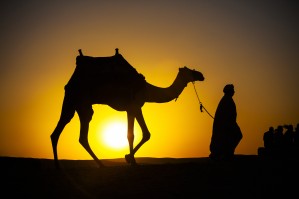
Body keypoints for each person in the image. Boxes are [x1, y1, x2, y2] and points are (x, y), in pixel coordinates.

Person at [209, 84, 243, 160]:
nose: (234, 91)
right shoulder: (226, 100)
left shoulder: (227, 100)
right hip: (227, 125)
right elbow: (226, 115)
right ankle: (226, 153)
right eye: (232, 90)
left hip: (228, 124)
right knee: (237, 136)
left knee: (233, 137)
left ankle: (226, 153)